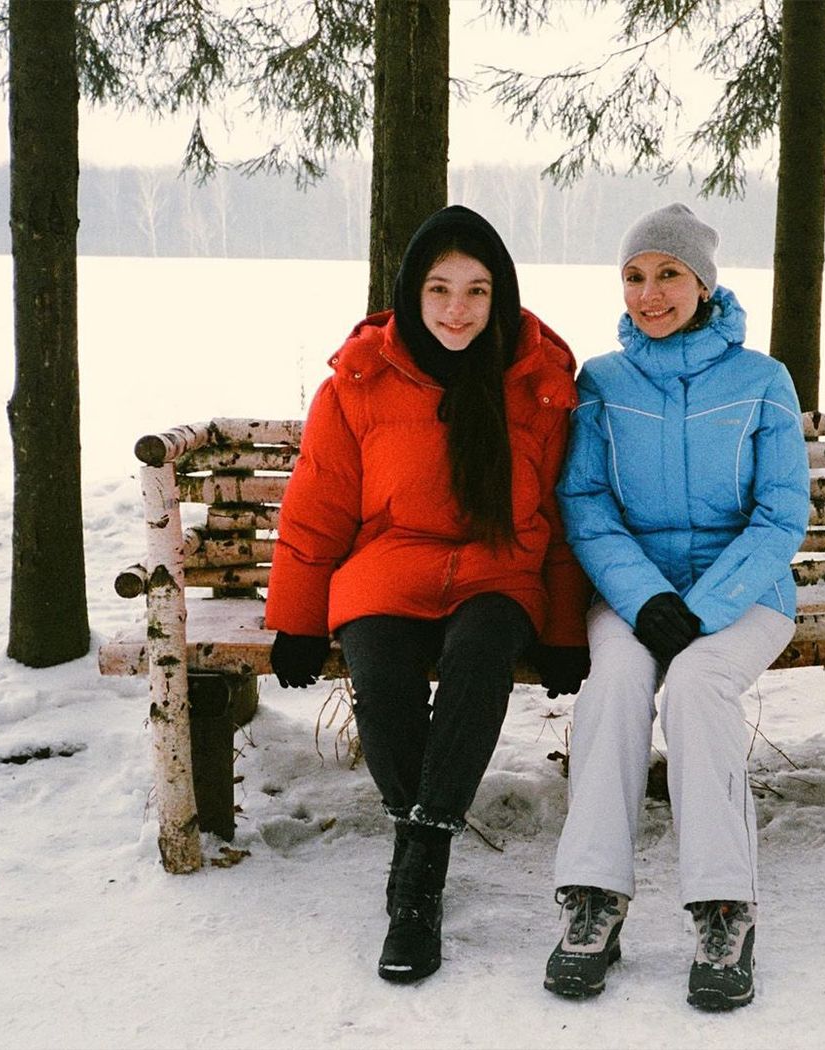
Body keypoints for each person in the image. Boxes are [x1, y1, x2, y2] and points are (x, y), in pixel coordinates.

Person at [264, 205, 592, 983]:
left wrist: (564, 630)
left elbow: (560, 514)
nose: (456, 309)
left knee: (480, 657)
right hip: (388, 567)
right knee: (380, 676)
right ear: (412, 292)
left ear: (500, 297)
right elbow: (319, 505)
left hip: (497, 571)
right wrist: (299, 619)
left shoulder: (539, 386)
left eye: (477, 291)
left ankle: (416, 879)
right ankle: (426, 849)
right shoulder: (359, 382)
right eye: (440, 288)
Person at [545, 203, 809, 1010]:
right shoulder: (602, 382)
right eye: (634, 276)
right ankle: (592, 897)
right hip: (634, 594)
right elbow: (586, 501)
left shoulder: (762, 380)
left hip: (745, 596)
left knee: (697, 683)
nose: (649, 293)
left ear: (704, 285)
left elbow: (781, 514)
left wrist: (705, 605)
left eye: (668, 274)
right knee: (617, 683)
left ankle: (725, 909)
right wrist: (645, 595)